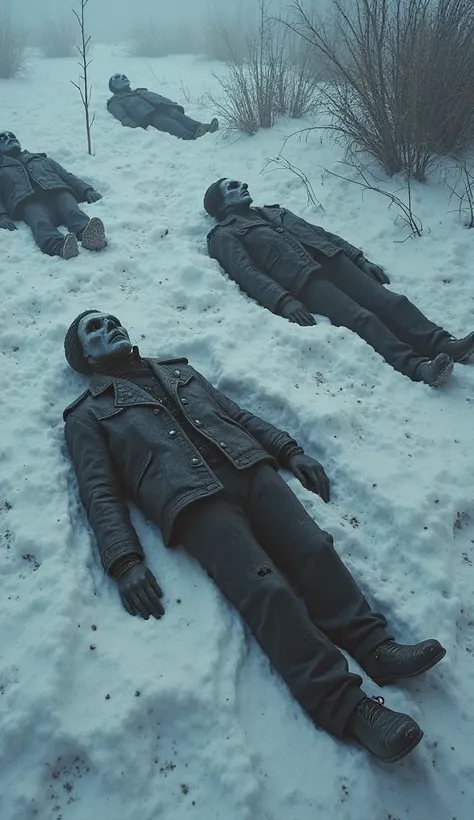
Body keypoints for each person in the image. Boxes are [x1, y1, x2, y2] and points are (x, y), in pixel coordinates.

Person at [63, 309, 446, 763]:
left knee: (315, 549)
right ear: (85, 356)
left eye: (112, 319)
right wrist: (123, 559)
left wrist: (287, 449)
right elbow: (99, 491)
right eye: (94, 328)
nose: (110, 326)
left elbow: (234, 414)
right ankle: (349, 707)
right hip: (193, 500)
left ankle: (376, 647)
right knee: (265, 589)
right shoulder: (88, 414)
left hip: (249, 467)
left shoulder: (178, 370)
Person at [203, 178, 474, 387]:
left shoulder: (274, 212)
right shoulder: (223, 235)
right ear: (222, 204)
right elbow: (247, 273)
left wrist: (358, 258)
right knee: (362, 318)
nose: (244, 185)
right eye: (233, 187)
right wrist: (283, 301)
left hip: (334, 260)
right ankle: (419, 368)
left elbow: (321, 233)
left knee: (390, 302)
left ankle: (444, 344)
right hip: (304, 281)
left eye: (242, 182)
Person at [0, 132, 106, 259]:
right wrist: (2, 216)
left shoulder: (40, 158)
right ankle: (59, 247)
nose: (10, 139)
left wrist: (86, 190)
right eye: (3, 138)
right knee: (40, 223)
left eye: (12, 136)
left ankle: (88, 234)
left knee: (73, 212)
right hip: (29, 201)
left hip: (58, 191)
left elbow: (66, 176)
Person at [107, 74, 219, 140]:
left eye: (124, 77)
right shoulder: (115, 101)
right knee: (170, 123)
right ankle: (193, 135)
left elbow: (157, 97)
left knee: (177, 115)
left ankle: (202, 127)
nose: (123, 78)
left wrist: (170, 103)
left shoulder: (138, 91)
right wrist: (133, 125)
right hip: (148, 116)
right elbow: (121, 116)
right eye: (118, 78)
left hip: (161, 107)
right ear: (113, 86)